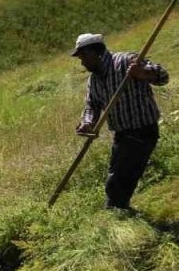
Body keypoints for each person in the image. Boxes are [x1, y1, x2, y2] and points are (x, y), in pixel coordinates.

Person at [71, 33, 169, 212]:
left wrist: (144, 73)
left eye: (83, 56)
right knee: (119, 177)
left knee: (117, 180)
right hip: (122, 135)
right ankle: (120, 212)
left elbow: (163, 76)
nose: (82, 62)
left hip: (143, 130)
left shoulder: (126, 61)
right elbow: (91, 106)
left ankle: (117, 215)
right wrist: (88, 122)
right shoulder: (94, 80)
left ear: (96, 52)